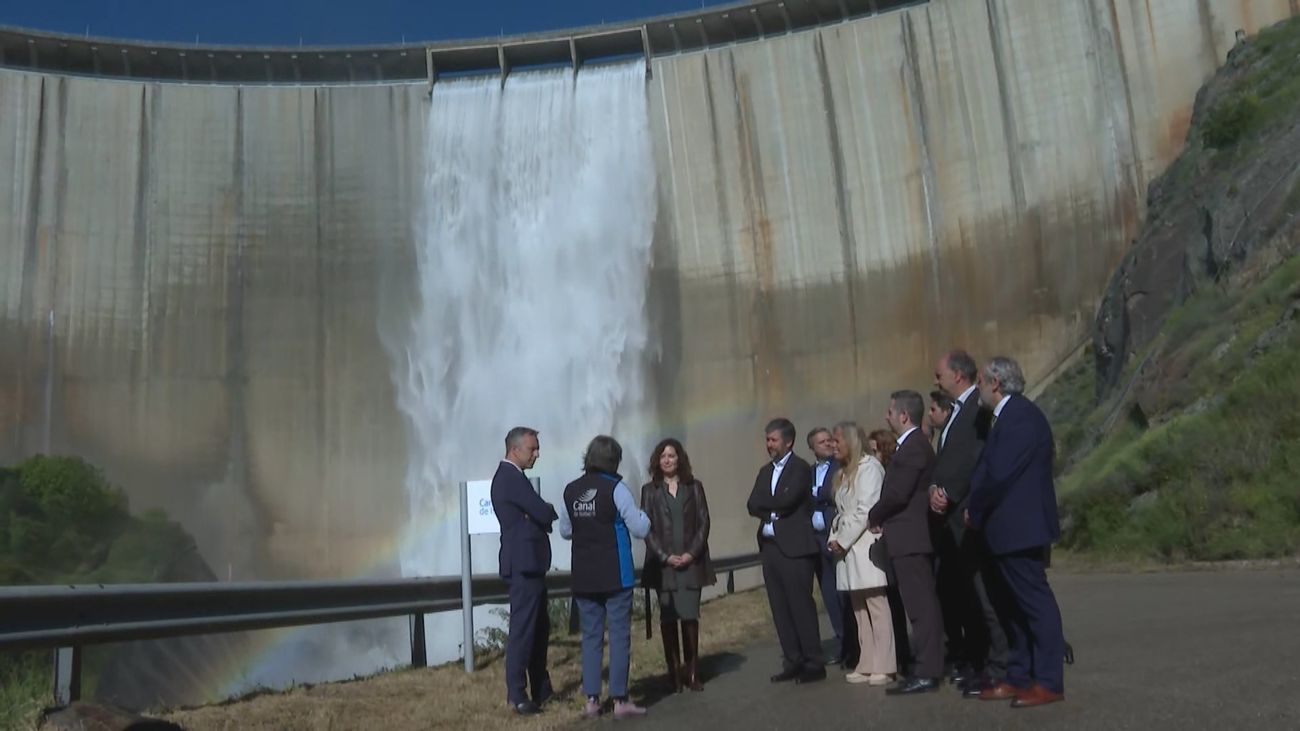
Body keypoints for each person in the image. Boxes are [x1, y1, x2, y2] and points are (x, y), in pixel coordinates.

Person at [965, 357, 1067, 708]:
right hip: (1005, 529)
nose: (977, 389)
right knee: (1011, 607)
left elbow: (999, 474)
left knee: (1034, 604)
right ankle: (1019, 676)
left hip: (1020, 528)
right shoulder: (1005, 417)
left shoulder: (1021, 416)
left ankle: (1049, 680)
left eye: (979, 381)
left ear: (995, 383)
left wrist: (974, 510)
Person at [929, 350, 1010, 698]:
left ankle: (997, 666)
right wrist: (934, 487)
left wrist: (951, 491)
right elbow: (947, 458)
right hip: (950, 517)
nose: (936, 381)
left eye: (939, 374)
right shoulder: (955, 413)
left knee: (983, 596)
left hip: (967, 514)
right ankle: (979, 663)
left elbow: (976, 454)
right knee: (966, 597)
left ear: (958, 376)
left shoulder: (978, 406)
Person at [559, 435, 653, 719]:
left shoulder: (571, 490)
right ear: (613, 461)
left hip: (584, 575)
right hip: (616, 574)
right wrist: (646, 517)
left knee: (590, 638)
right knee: (620, 635)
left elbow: (565, 530)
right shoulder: (617, 489)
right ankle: (620, 700)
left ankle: (591, 700)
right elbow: (639, 528)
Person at [868, 390, 944, 695]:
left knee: (921, 607)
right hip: (906, 537)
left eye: (890, 411)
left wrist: (874, 513)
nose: (886, 417)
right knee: (919, 605)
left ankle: (928, 670)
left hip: (911, 537)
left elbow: (898, 493)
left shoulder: (913, 447)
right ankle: (926, 665)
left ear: (903, 415)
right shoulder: (910, 446)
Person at [745, 417, 826, 684]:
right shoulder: (764, 472)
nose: (769, 445)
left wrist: (770, 507)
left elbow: (789, 501)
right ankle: (793, 659)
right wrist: (773, 509)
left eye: (773, 440)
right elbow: (752, 504)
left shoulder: (800, 469)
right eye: (767, 439)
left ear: (788, 441)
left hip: (795, 549)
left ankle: (814, 662)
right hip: (771, 549)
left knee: (800, 605)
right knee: (780, 608)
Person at [490, 426, 558, 716]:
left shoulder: (515, 478)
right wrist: (540, 513)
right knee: (523, 631)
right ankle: (517, 694)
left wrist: (538, 513)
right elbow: (543, 511)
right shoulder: (509, 477)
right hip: (523, 563)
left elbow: (538, 512)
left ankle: (541, 689)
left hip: (530, 564)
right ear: (515, 449)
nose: (537, 454)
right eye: (533, 449)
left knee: (539, 629)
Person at [641, 438, 715, 693]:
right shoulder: (649, 491)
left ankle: (692, 672)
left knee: (690, 618)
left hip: (691, 565)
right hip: (664, 568)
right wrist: (664, 556)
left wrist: (692, 553)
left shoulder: (694, 487)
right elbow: (646, 528)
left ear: (679, 459)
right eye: (663, 456)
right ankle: (674, 674)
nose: (667, 460)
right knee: (669, 619)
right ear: (657, 461)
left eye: (671, 456)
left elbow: (704, 523)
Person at [826, 421, 895, 686]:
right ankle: (866, 661)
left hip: (865, 546)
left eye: (837, 441)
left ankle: (885, 664)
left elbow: (865, 509)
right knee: (859, 610)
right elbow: (841, 513)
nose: (834, 446)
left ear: (851, 442)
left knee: (877, 606)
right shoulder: (845, 473)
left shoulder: (870, 469)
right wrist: (835, 538)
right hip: (848, 549)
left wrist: (842, 540)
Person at [807, 426, 856, 668]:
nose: (828, 444)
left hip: (834, 536)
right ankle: (841, 640)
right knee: (828, 594)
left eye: (830, 440)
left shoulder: (839, 467)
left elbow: (830, 493)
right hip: (815, 539)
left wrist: (816, 495)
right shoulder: (808, 472)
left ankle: (853, 644)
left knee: (843, 592)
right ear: (812, 448)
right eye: (822, 442)